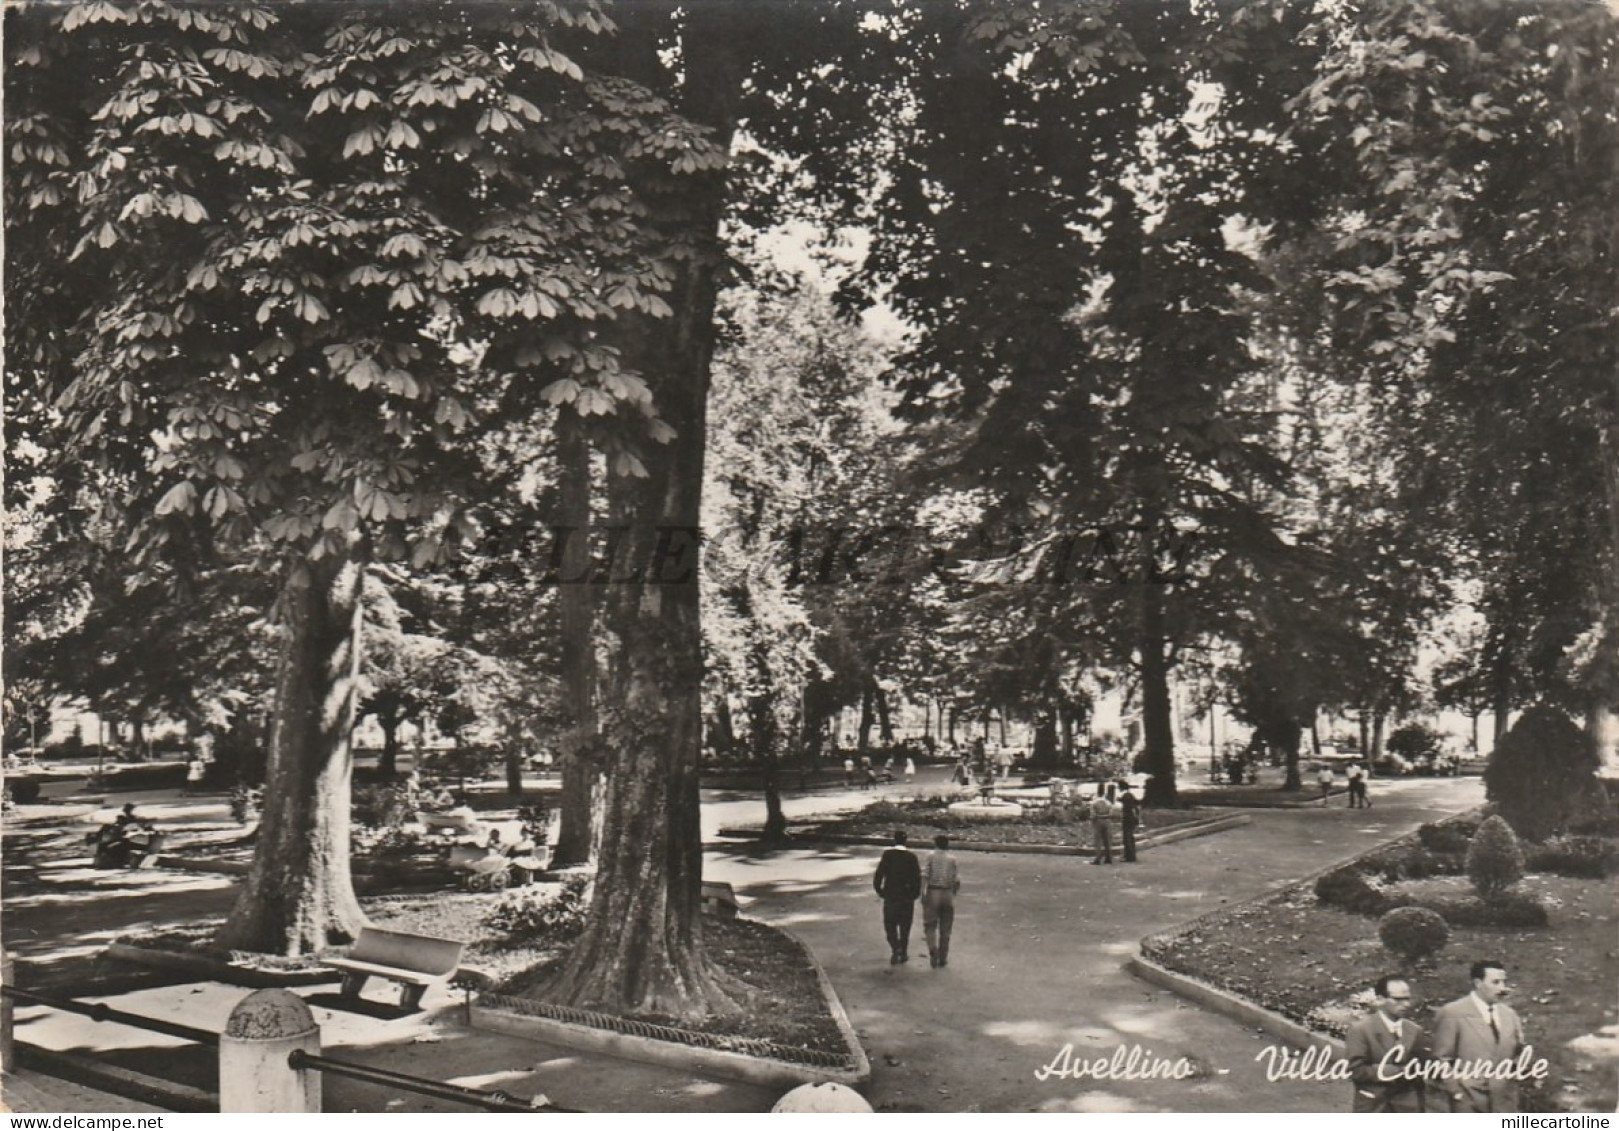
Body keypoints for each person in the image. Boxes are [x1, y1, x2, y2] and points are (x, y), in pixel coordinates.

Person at [1431, 960, 1530, 1112]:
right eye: (1495, 982)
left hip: (1504, 1103)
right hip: (1469, 1102)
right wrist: (1457, 1094)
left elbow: (1519, 1052)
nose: (1502, 988)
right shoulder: (1453, 1013)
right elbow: (1441, 1059)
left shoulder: (1509, 1014)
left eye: (1504, 982)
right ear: (1478, 983)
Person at [1344, 976, 1429, 1112]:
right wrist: (1397, 1071)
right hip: (1375, 1106)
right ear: (1380, 999)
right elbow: (1356, 1071)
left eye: (1407, 998)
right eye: (1397, 999)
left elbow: (1421, 1068)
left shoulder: (1414, 1030)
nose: (1406, 1004)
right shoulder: (1361, 1030)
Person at [873, 829, 923, 965]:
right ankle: (904, 951)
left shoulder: (888, 855)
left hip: (891, 896)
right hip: (906, 898)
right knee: (905, 927)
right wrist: (914, 894)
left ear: (894, 840)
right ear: (906, 841)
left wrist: (880, 890)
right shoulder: (911, 857)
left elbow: (879, 874)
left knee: (890, 925)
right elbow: (917, 878)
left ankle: (896, 948)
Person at [921, 834, 960, 967]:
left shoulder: (930, 856)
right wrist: (953, 893)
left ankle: (933, 949)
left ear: (935, 844)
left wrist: (923, 893)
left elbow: (925, 875)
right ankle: (943, 957)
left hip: (933, 891)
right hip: (947, 893)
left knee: (930, 925)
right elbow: (956, 880)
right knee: (946, 928)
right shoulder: (952, 859)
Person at [1117, 781, 1142, 863]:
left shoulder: (1126, 795)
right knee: (1130, 837)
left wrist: (1120, 800)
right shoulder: (1130, 795)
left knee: (1127, 837)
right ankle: (1131, 855)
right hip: (1132, 818)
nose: (1118, 788)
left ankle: (1129, 856)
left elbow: (1127, 808)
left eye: (1119, 787)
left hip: (1128, 818)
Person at [1089, 787, 1114, 864]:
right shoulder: (1108, 803)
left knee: (1098, 840)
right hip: (1107, 822)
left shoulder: (1094, 803)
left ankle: (1098, 859)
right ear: (1104, 794)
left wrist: (1093, 819)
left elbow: (1093, 815)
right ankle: (1108, 858)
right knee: (1107, 840)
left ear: (1097, 793)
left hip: (1098, 822)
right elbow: (1111, 814)